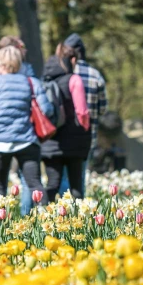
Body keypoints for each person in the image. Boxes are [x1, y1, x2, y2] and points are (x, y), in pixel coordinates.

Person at [0, 46, 51, 206]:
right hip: (27, 140)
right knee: (35, 185)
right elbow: (47, 109)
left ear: (2, 65)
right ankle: (47, 220)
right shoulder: (31, 82)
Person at [56, 33, 108, 196]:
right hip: (87, 137)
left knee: (63, 176)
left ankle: (63, 213)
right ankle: (76, 213)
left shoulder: (61, 72)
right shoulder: (95, 75)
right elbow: (103, 108)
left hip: (62, 136)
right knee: (79, 178)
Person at [40, 44, 91, 201]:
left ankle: (42, 216)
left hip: (50, 139)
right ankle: (78, 222)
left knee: (52, 183)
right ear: (73, 59)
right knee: (76, 186)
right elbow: (81, 111)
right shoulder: (74, 79)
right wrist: (85, 128)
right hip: (73, 140)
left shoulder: (45, 79)